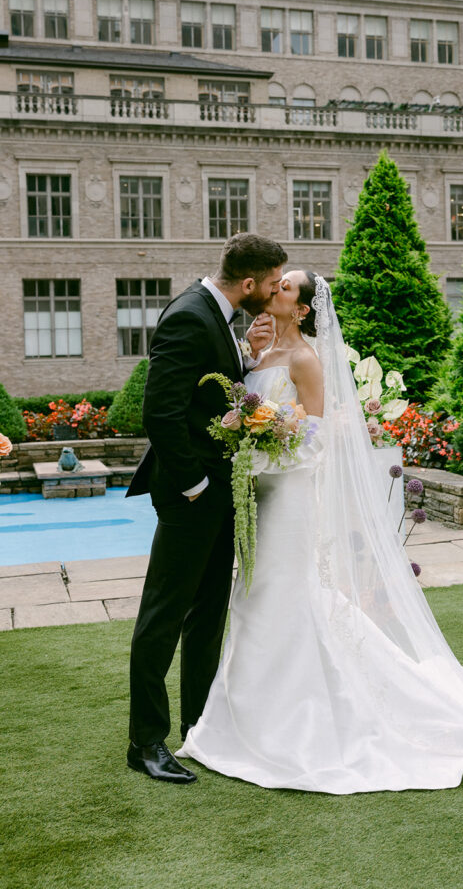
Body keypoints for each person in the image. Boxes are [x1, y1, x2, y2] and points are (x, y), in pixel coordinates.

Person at [178, 273, 463, 793]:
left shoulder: (306, 361)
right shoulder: (258, 355)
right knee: (253, 598)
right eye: (278, 283)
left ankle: (296, 726)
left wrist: (269, 445)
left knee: (281, 594)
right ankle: (248, 716)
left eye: (287, 288)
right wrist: (245, 435)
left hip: (288, 498)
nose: (275, 289)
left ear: (302, 310)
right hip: (258, 497)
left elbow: (316, 441)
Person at [125, 233, 288, 784]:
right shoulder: (189, 315)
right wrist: (194, 484)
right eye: (270, 284)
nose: (273, 292)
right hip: (190, 494)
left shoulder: (221, 316)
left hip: (220, 492)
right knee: (163, 617)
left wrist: (248, 360)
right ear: (248, 283)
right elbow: (160, 414)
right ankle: (146, 742)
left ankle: (200, 724)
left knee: (207, 616)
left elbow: (209, 396)